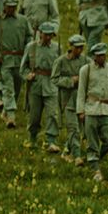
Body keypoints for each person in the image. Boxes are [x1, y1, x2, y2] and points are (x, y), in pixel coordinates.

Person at [74, 42, 108, 180]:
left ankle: (96, 157)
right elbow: (81, 92)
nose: (102, 57)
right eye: (99, 55)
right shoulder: (86, 70)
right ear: (94, 55)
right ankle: (95, 169)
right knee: (92, 141)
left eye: (104, 54)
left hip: (107, 110)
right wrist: (81, 111)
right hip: (91, 110)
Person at [0, 0, 32, 127]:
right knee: (8, 88)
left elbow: (29, 37)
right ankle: (11, 118)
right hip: (4, 61)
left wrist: (28, 54)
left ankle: (5, 111)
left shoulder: (23, 20)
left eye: (14, 6)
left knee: (17, 89)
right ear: (4, 6)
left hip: (20, 60)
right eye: (9, 6)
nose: (11, 9)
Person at [23, 21, 64, 152]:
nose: (47, 37)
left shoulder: (58, 48)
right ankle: (32, 139)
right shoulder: (31, 47)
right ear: (40, 33)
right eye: (45, 34)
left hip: (51, 84)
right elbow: (23, 67)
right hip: (35, 84)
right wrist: (27, 75)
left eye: (50, 34)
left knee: (52, 113)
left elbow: (61, 67)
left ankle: (51, 141)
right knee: (34, 115)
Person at [56, 35, 88, 161]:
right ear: (71, 46)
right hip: (67, 99)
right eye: (77, 47)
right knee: (73, 129)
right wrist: (70, 81)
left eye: (81, 47)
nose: (79, 50)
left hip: (82, 99)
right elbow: (54, 79)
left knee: (78, 129)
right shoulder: (62, 61)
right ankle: (77, 156)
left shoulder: (86, 60)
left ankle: (65, 152)